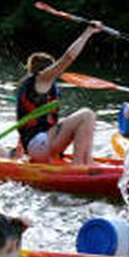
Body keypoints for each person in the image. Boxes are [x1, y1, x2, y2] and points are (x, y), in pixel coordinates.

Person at [15, 22, 104, 165]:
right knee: (87, 114)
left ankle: (87, 161)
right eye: (54, 67)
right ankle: (79, 166)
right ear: (47, 69)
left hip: (38, 146)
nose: (56, 71)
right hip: (39, 145)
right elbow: (68, 58)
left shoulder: (32, 86)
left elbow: (26, 124)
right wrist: (88, 32)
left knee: (87, 118)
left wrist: (19, 154)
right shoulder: (42, 79)